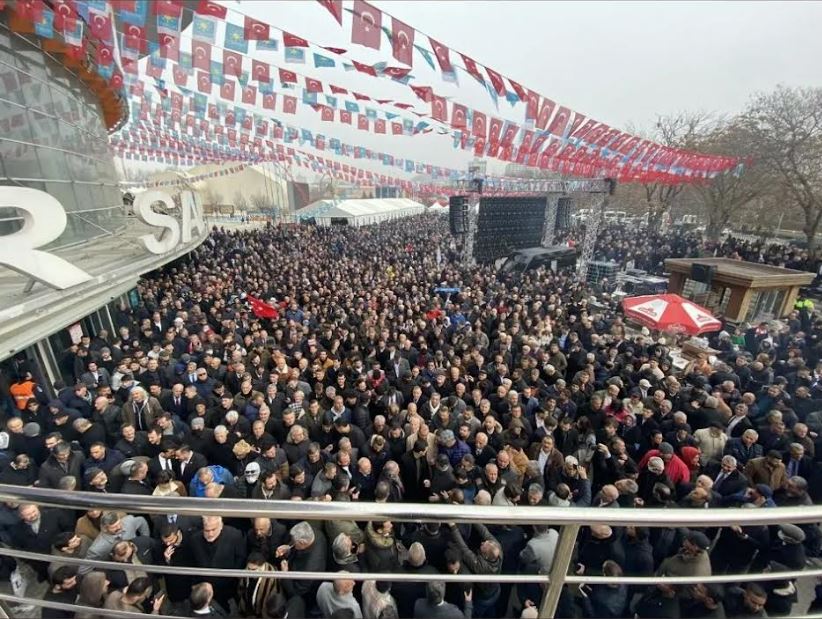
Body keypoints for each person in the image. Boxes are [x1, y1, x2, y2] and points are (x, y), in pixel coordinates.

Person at [190, 516, 246, 611]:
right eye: (207, 530)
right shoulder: (195, 539)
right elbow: (192, 562)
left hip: (227, 588)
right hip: (204, 589)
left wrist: (232, 577)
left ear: (221, 526)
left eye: (213, 529)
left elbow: (240, 558)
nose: (210, 534)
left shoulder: (235, 536)